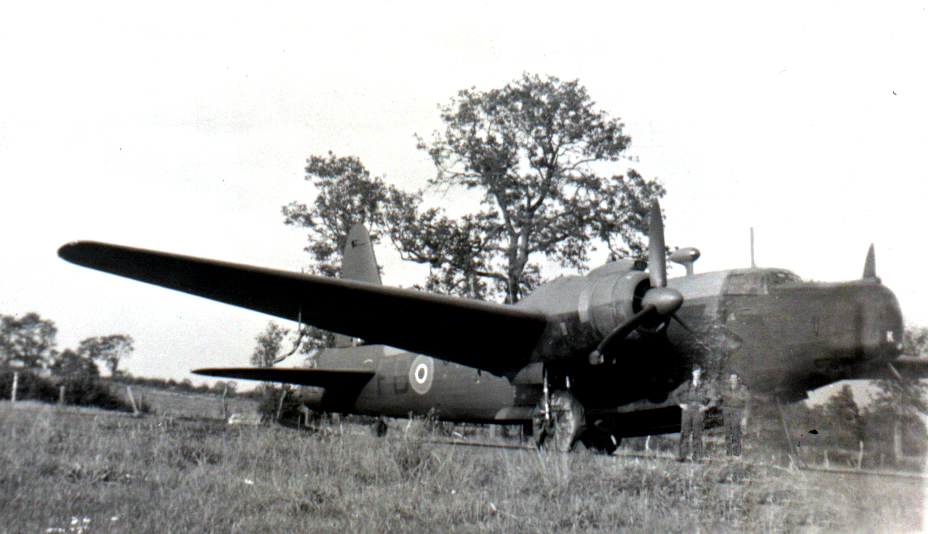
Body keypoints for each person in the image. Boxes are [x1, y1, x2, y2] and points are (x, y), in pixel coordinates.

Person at [677, 366, 714, 461]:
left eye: (699, 372)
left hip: (698, 411)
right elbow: (675, 394)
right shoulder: (687, 385)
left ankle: (697, 457)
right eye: (695, 372)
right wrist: (681, 405)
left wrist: (706, 407)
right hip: (687, 411)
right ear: (692, 373)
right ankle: (682, 457)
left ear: (700, 374)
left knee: (697, 434)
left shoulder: (704, 386)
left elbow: (713, 397)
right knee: (685, 433)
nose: (697, 374)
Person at [723, 372, 748, 456]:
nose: (733, 380)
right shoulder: (726, 389)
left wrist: (744, 417)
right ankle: (729, 452)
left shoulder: (743, 389)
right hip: (727, 413)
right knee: (727, 432)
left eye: (735, 378)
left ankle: (737, 452)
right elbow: (723, 401)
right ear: (729, 380)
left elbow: (747, 403)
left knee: (736, 432)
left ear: (738, 379)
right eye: (731, 378)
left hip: (737, 412)